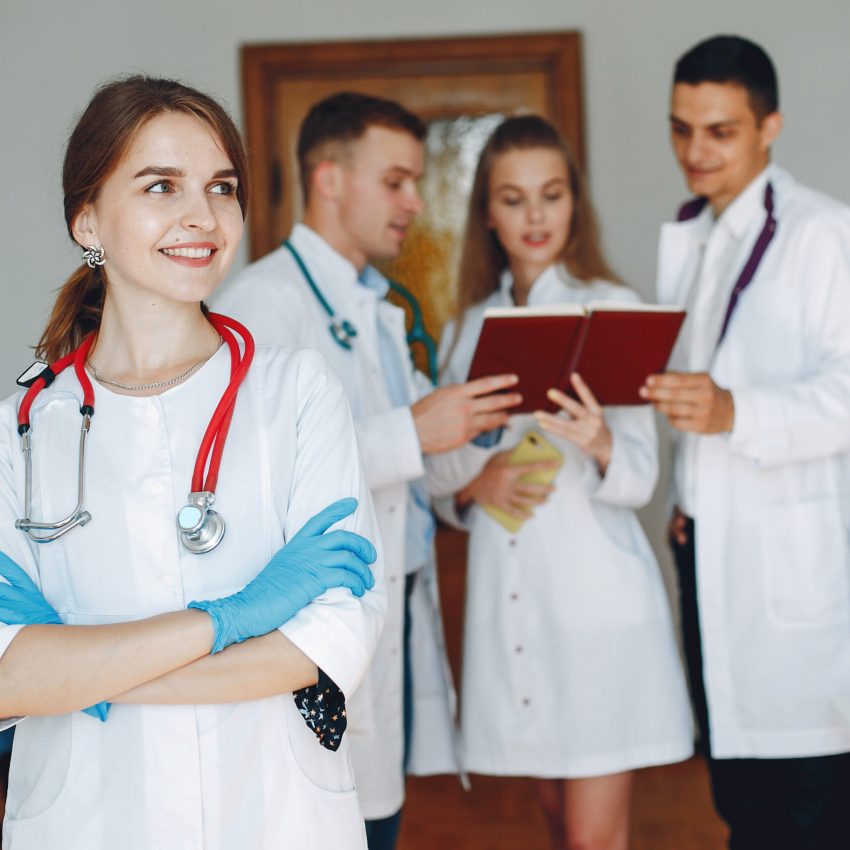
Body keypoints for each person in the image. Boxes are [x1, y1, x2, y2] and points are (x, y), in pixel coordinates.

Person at [0, 75, 385, 850]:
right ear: (87, 220)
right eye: (160, 186)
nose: (203, 218)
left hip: (276, 815)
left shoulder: (297, 391)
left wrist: (82, 673)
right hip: (89, 820)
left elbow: (333, 637)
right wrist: (235, 620)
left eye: (221, 187)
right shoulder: (19, 429)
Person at [212, 91, 520, 849]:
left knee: (379, 818)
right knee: (333, 821)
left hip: (396, 609)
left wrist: (484, 425)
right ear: (328, 179)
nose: (415, 201)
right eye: (396, 181)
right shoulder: (261, 302)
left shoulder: (380, 306)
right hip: (320, 625)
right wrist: (411, 431)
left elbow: (424, 466)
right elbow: (257, 474)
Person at [433, 115, 693, 850]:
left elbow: (641, 476)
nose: (535, 216)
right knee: (553, 820)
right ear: (487, 211)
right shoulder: (465, 331)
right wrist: (473, 485)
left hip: (596, 611)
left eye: (551, 194)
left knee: (591, 840)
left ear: (574, 202)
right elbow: (437, 483)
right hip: (508, 606)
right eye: (513, 199)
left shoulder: (617, 309)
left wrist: (600, 438)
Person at [640, 35, 850, 849]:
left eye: (720, 131)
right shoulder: (694, 236)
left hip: (792, 566)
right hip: (708, 555)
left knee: (808, 804)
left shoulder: (824, 234)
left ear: (770, 127)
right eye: (681, 128)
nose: (695, 152)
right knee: (743, 804)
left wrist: (737, 414)